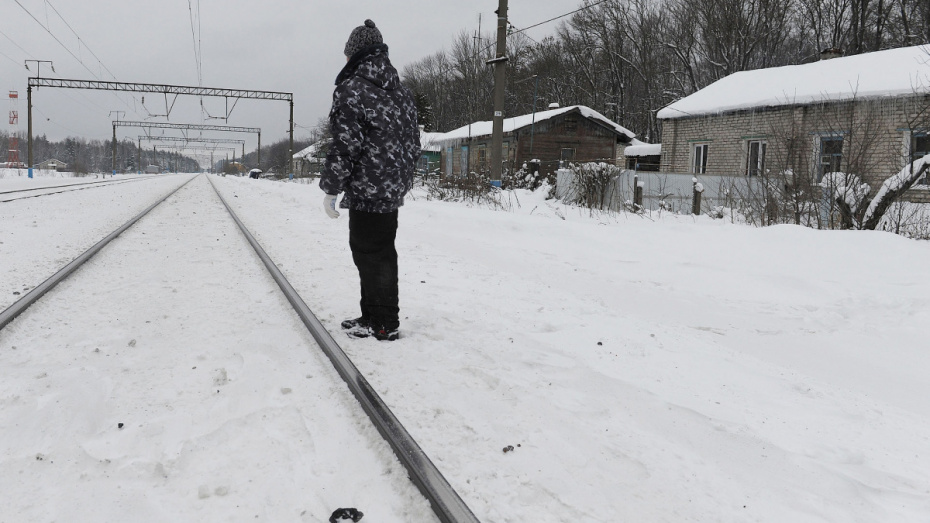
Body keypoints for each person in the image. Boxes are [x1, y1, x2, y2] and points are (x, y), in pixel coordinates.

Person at [319, 19, 420, 342]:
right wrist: (402, 180)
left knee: (368, 253)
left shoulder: (353, 90)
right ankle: (375, 315)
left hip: (366, 186)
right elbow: (413, 143)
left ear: (357, 54)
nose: (345, 61)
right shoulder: (402, 93)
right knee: (381, 251)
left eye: (347, 55)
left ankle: (383, 322)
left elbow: (345, 144)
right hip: (392, 188)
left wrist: (331, 188)